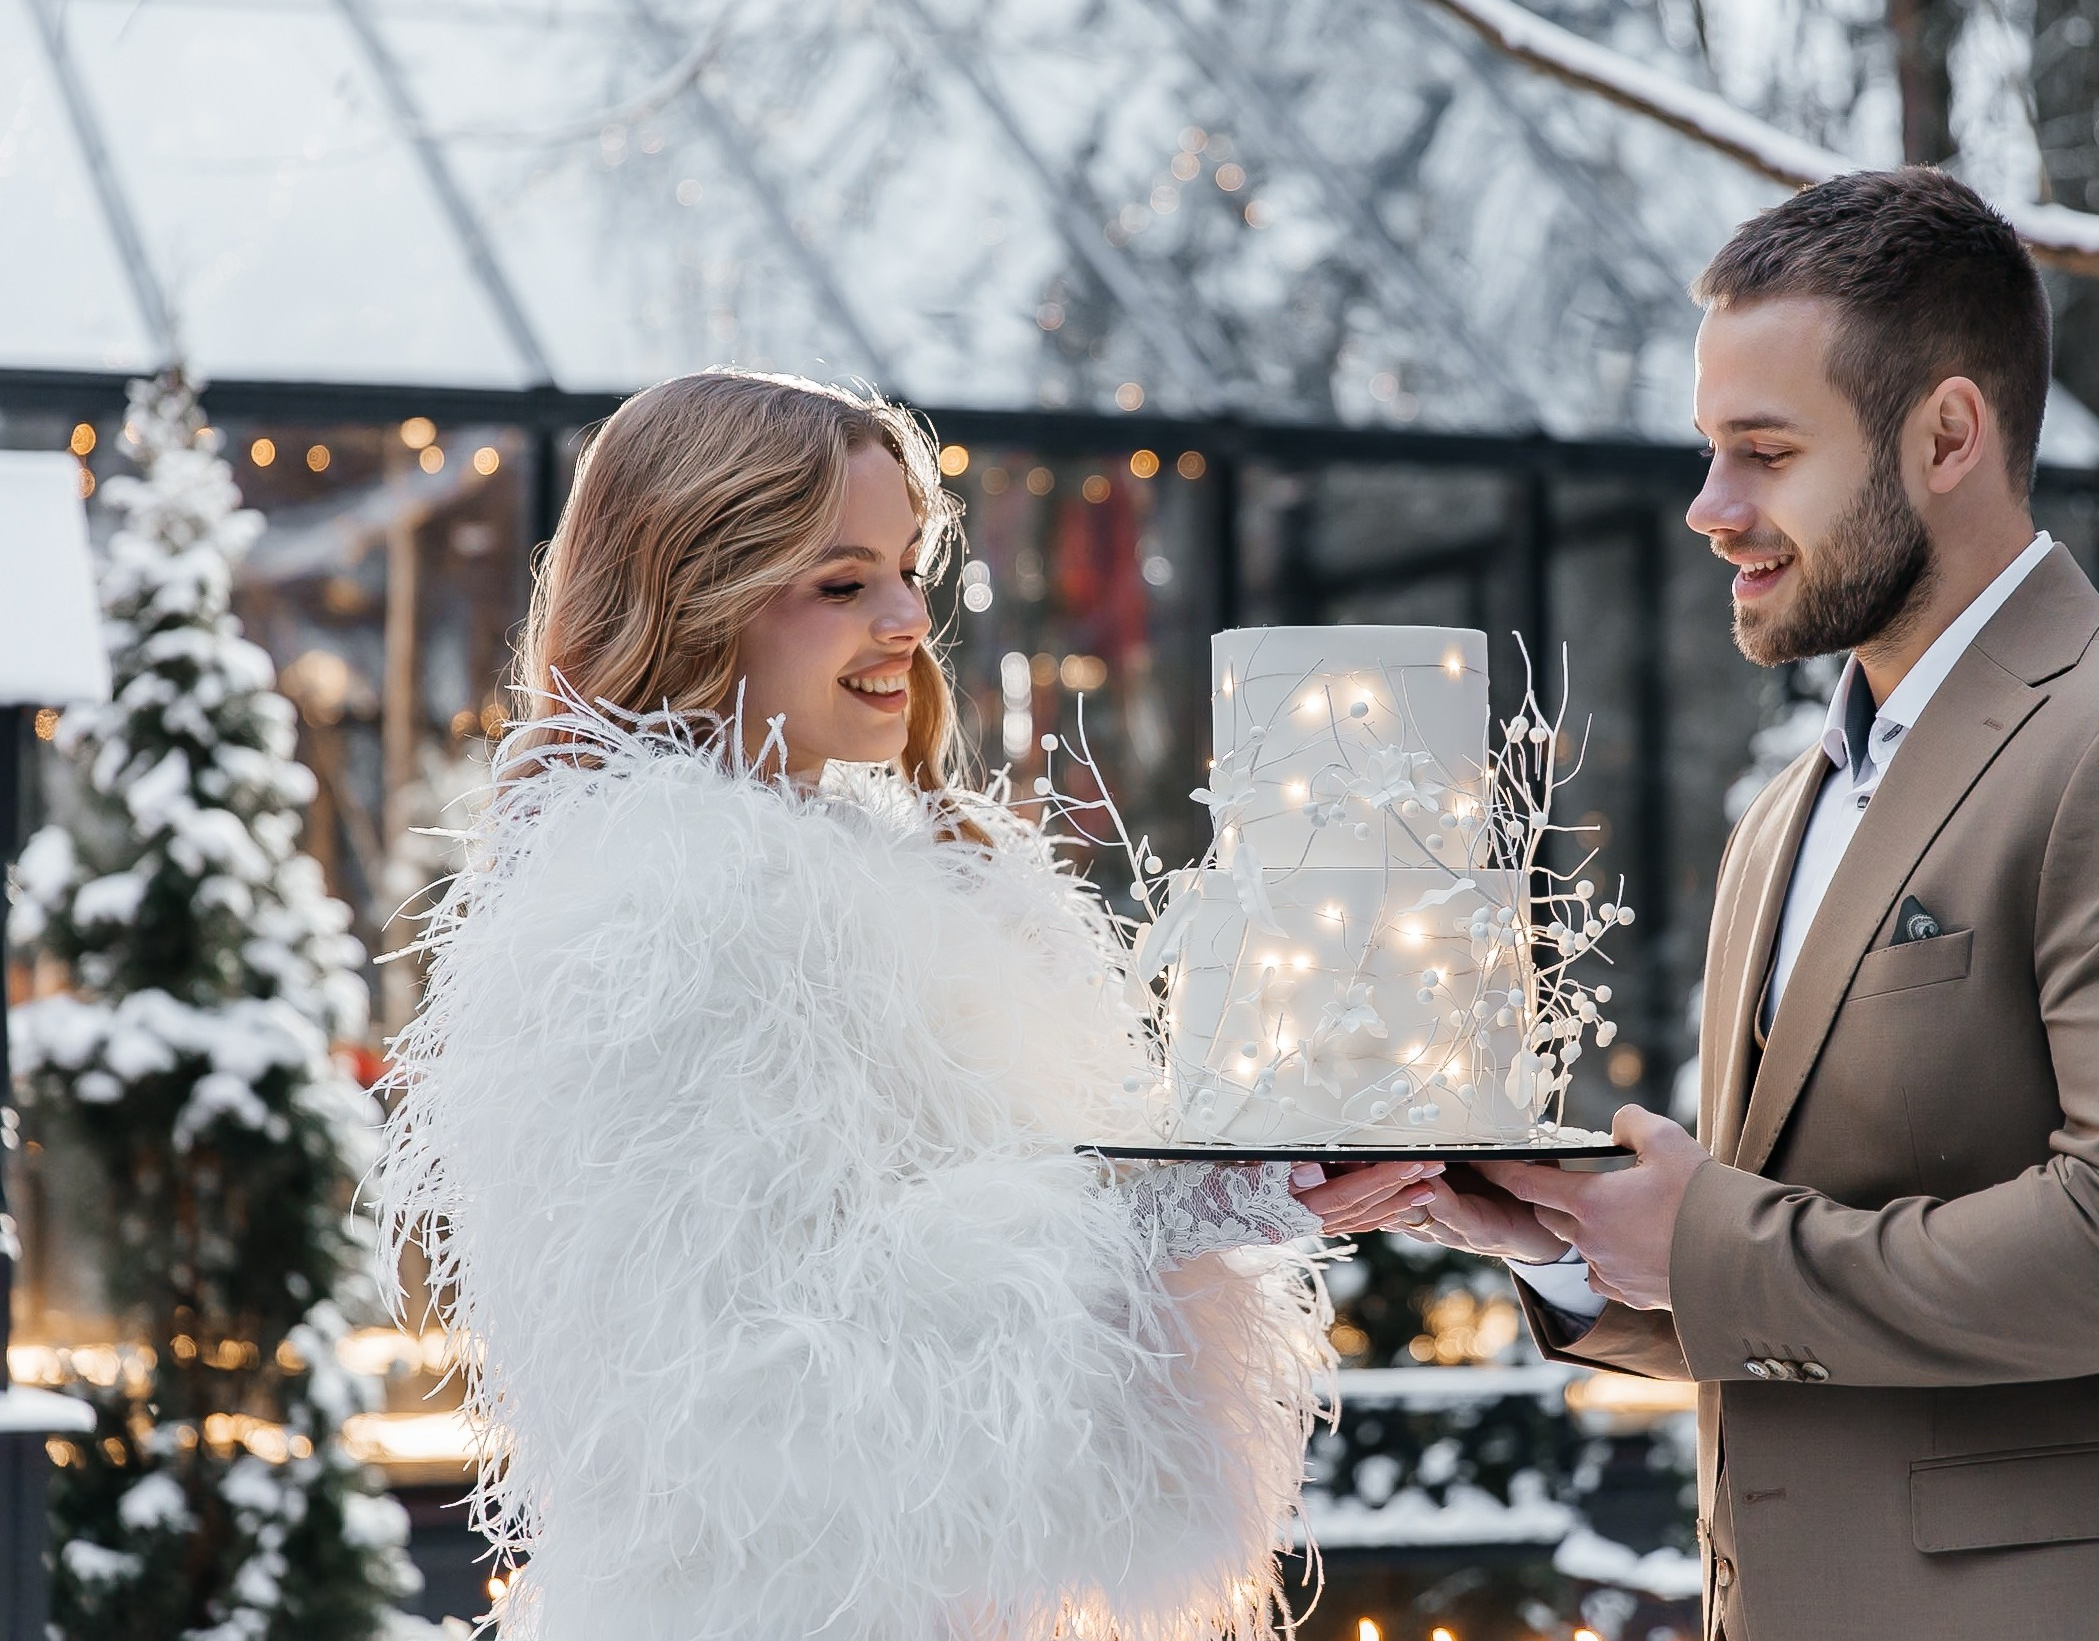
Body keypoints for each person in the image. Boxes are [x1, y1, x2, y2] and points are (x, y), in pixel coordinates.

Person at [1406, 170, 2099, 1641]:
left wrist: (1706, 1245)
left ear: (1948, 436)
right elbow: (1804, 1279)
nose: (1709, 508)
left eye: (1764, 451)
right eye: (1710, 450)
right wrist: (1563, 1236)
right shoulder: (1787, 817)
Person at [370, 370, 1438, 1641]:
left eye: (908, 570)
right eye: (841, 584)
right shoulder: (656, 908)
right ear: (692, 595)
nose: (906, 620)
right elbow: (757, 1377)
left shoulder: (888, 882)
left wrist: (1222, 1186)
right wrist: (1176, 1211)